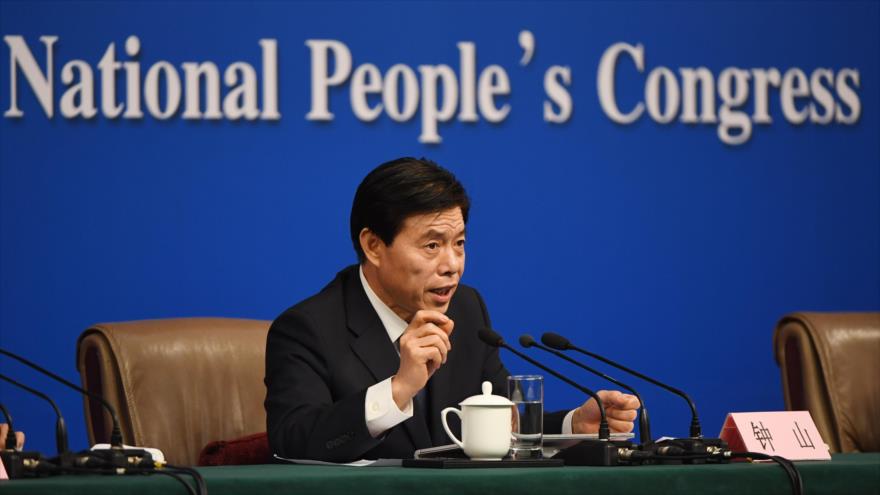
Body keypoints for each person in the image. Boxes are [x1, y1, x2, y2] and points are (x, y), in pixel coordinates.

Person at [264, 157, 640, 461]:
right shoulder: (307, 329)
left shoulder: (467, 309)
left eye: (458, 243)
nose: (452, 265)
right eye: (432, 246)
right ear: (374, 246)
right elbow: (292, 441)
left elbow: (501, 419)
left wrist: (574, 426)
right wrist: (398, 389)